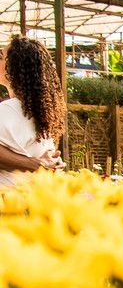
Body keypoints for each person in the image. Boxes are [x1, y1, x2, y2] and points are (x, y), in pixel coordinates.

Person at [0, 35, 66, 186]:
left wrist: (39, 164)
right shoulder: (42, 112)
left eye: (0, 56)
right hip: (31, 199)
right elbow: (41, 159)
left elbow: (42, 161)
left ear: (14, 67)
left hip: (7, 200)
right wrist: (40, 163)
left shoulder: (7, 110)